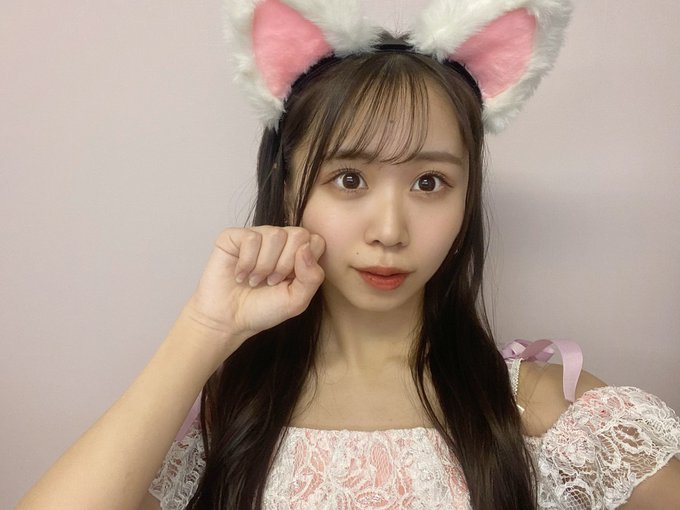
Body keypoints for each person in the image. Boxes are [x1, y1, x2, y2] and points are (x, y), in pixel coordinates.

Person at [15, 0, 680, 509]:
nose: (389, 229)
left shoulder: (539, 409)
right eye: (350, 179)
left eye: (430, 183)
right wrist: (205, 329)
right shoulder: (224, 413)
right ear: (288, 188)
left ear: (467, 198)